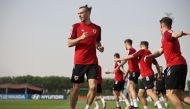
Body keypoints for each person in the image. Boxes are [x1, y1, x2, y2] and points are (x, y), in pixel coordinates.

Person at [145, 17, 190, 109]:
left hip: (175, 65)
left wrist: (184, 32)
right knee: (179, 94)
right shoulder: (165, 38)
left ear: (161, 26)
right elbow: (160, 51)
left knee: (170, 94)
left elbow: (175, 34)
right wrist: (150, 56)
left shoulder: (167, 33)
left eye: (159, 27)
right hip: (181, 64)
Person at [68, 5, 104, 109]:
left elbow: (97, 42)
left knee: (93, 87)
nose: (79, 15)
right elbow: (69, 43)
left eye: (81, 13)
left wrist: (100, 47)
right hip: (79, 62)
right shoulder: (75, 26)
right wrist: (81, 37)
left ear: (88, 13)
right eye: (78, 14)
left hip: (93, 62)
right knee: (76, 88)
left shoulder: (97, 28)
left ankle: (87, 107)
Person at [115, 41, 164, 109]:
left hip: (147, 75)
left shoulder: (142, 51)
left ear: (141, 46)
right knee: (140, 94)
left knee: (149, 92)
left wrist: (118, 59)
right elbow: (156, 64)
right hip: (145, 76)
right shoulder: (149, 53)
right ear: (147, 46)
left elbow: (131, 56)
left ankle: (160, 107)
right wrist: (159, 74)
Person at [123, 39, 140, 108]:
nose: (124, 46)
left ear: (127, 44)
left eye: (124, 44)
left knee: (131, 88)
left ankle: (135, 105)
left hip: (134, 71)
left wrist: (118, 63)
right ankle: (132, 104)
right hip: (132, 71)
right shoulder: (132, 51)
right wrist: (126, 73)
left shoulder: (131, 50)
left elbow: (125, 59)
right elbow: (130, 64)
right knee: (128, 88)